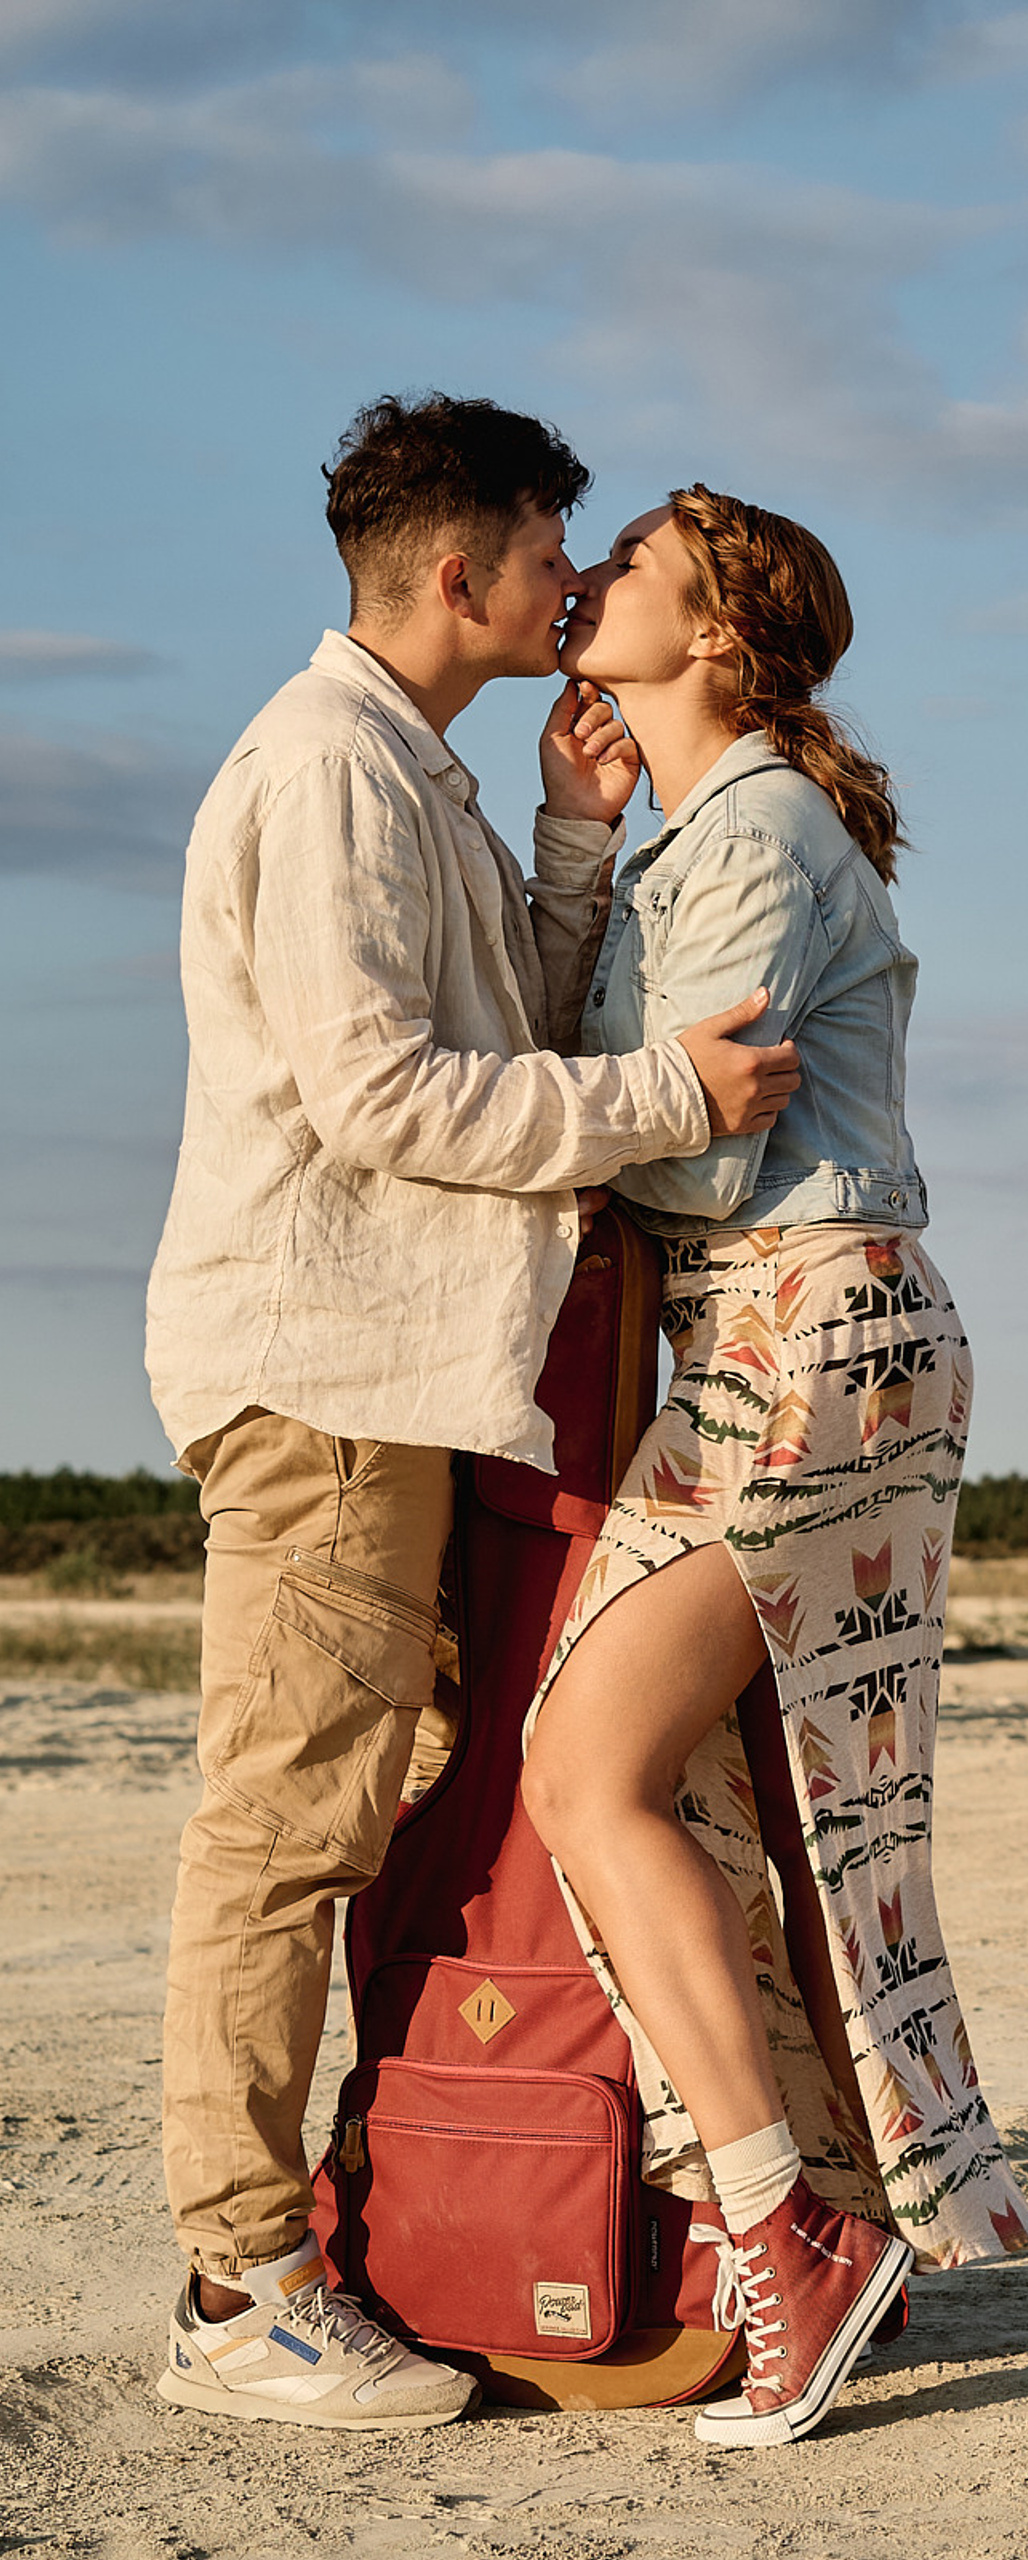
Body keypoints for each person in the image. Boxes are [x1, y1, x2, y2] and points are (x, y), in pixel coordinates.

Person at [145, 398, 806, 2432]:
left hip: (398, 1380)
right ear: (463, 575)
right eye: (549, 552)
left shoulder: (400, 765)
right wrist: (668, 1097)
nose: (570, 584)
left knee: (376, 1825)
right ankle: (240, 2281)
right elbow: (387, 1098)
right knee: (290, 1826)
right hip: (325, 1373)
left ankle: (363, 2221)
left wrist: (573, 845)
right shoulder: (330, 766)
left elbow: (474, 1032)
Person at [517, 485, 1028, 2450]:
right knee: (740, 1787)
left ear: (719, 634)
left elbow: (701, 1150)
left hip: (791, 1318)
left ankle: (786, 2246)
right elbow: (624, 1066)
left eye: (629, 567)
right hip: (800, 1328)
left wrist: (537, 1132)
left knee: (589, 1772)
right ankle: (820, 2220)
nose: (588, 583)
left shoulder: (750, 828)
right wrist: (578, 843)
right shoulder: (704, 832)